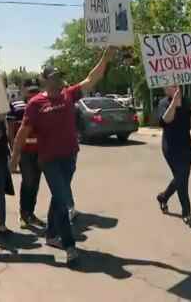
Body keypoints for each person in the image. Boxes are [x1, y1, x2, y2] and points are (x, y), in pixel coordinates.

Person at [11, 47, 115, 263]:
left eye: (60, 76)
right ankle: (69, 246)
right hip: (48, 159)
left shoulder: (69, 94)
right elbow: (22, 132)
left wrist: (105, 56)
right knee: (64, 199)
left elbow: (91, 78)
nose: (58, 80)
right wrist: (14, 158)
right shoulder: (35, 104)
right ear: (45, 80)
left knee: (58, 199)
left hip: (70, 157)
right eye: (54, 77)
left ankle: (51, 235)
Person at [155, 85, 191, 225]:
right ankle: (186, 211)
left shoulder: (187, 102)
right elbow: (166, 120)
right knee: (181, 179)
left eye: (174, 85)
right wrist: (173, 102)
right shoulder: (163, 103)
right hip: (170, 148)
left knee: (182, 178)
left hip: (186, 147)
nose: (174, 87)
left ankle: (163, 197)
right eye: (169, 86)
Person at [12, 79, 45, 228]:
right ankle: (23, 214)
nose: (33, 94)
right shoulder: (16, 106)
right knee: (28, 182)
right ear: (23, 90)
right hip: (24, 153)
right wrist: (14, 154)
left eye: (35, 90)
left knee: (35, 184)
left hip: (40, 152)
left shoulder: (43, 105)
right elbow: (10, 131)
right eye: (30, 91)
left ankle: (30, 213)